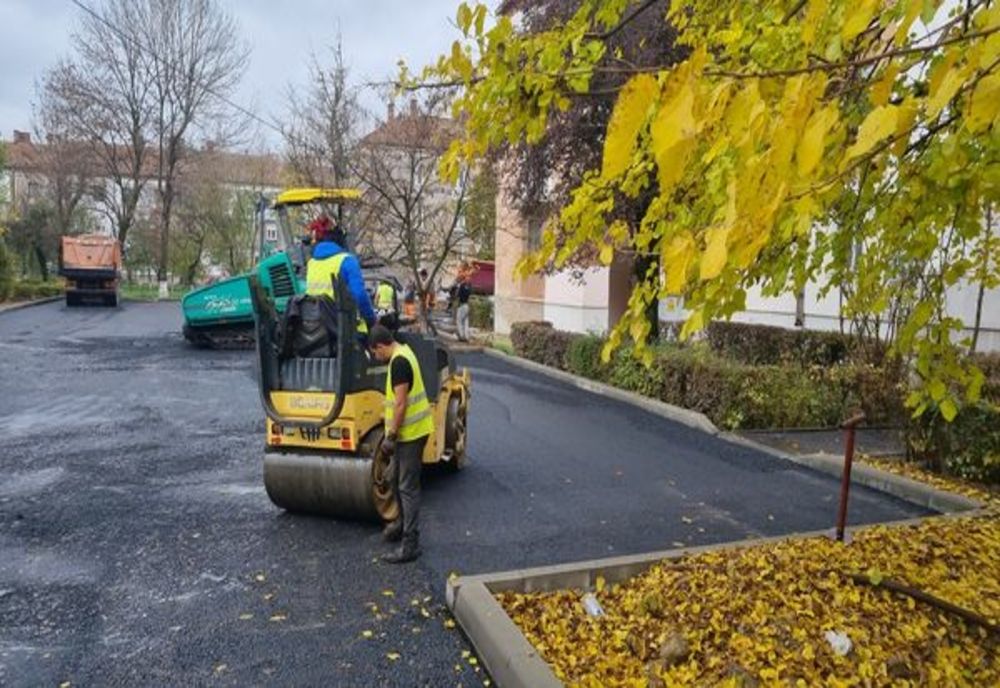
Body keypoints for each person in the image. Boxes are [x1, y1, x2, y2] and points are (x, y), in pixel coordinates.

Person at [370, 324, 434, 564]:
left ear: (381, 346)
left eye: (376, 354)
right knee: (394, 477)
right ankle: (400, 523)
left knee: (407, 486)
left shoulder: (398, 363)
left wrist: (391, 436)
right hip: (409, 432)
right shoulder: (404, 351)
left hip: (411, 434)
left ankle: (410, 543)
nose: (377, 358)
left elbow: (400, 404)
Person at [305, 215, 376, 336]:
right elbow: (359, 295)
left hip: (316, 332)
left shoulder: (311, 263)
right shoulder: (347, 261)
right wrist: (372, 320)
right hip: (343, 331)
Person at [455, 269, 472, 342]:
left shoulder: (461, 286)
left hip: (462, 305)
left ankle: (462, 336)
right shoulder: (470, 286)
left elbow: (457, 295)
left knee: (459, 321)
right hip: (467, 306)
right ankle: (467, 336)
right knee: (466, 322)